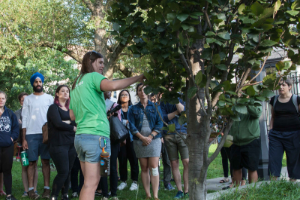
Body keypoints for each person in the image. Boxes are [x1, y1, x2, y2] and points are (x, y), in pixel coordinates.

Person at [69, 50, 144, 200]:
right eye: (100, 62)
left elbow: (72, 115)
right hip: (96, 136)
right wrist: (139, 77)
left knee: (88, 184)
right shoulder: (94, 77)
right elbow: (114, 85)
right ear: (90, 62)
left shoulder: (76, 83)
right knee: (92, 184)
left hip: (80, 138)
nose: (103, 66)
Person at [128, 83, 163, 200]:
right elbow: (131, 126)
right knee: (144, 168)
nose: (142, 92)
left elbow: (160, 123)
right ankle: (148, 195)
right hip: (139, 141)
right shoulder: (132, 108)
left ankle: (156, 195)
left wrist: (150, 137)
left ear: (148, 92)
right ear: (137, 93)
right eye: (139, 90)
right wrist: (142, 138)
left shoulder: (156, 107)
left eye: (144, 89)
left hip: (154, 140)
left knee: (153, 166)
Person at [22, 72, 53, 199]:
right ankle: (31, 191)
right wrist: (24, 138)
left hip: (46, 134)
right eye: (36, 81)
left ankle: (46, 189)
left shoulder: (49, 98)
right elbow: (24, 119)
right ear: (33, 84)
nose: (38, 83)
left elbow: (53, 117)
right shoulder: (28, 99)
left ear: (42, 83)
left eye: (40, 81)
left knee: (46, 161)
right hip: (31, 134)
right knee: (31, 163)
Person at [47, 85, 77, 200]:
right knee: (63, 171)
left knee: (68, 170)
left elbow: (76, 122)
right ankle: (53, 196)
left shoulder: (71, 109)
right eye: (62, 91)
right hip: (58, 144)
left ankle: (65, 195)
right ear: (57, 94)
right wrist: (71, 126)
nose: (65, 93)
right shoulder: (53, 108)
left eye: (67, 91)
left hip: (71, 144)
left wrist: (67, 122)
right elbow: (57, 124)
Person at [269, 78, 300, 181]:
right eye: (279, 85)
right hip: (276, 135)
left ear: (290, 87)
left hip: (294, 134)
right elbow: (272, 116)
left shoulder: (297, 99)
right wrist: (270, 130)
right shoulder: (274, 100)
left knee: (293, 159)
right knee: (274, 158)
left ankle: (293, 183)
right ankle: (273, 185)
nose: (281, 87)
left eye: (283, 85)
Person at [229, 99, 262, 186]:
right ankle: (236, 193)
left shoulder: (255, 101)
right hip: (235, 142)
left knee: (252, 168)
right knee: (235, 168)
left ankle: (252, 194)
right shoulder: (233, 101)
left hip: (251, 140)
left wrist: (247, 102)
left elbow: (257, 113)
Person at [160, 97, 188, 199]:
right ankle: (180, 190)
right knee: (174, 163)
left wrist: (176, 101)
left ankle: (187, 190)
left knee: (186, 161)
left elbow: (183, 111)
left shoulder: (181, 97)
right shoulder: (163, 101)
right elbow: (164, 118)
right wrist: (177, 112)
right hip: (169, 135)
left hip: (182, 132)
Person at [15, 92, 38, 197]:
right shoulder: (16, 114)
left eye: (26, 99)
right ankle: (26, 190)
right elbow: (17, 128)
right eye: (22, 100)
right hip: (21, 143)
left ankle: (35, 189)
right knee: (25, 166)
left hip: (34, 142)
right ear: (20, 102)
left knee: (34, 166)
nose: (24, 102)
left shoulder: (35, 112)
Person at [117, 90, 139, 191]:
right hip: (121, 139)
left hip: (132, 138)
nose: (124, 96)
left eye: (126, 94)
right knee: (122, 160)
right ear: (119, 97)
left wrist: (128, 122)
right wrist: (123, 121)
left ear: (129, 97)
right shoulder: (116, 109)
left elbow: (137, 122)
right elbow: (114, 122)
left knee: (134, 159)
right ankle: (123, 181)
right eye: (122, 94)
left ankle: (135, 182)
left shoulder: (133, 109)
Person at [0, 91, 20, 200]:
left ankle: (8, 195)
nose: (1, 100)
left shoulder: (10, 113)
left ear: (5, 100)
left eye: (3, 98)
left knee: (7, 170)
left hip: (7, 146)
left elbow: (16, 128)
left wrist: (11, 138)